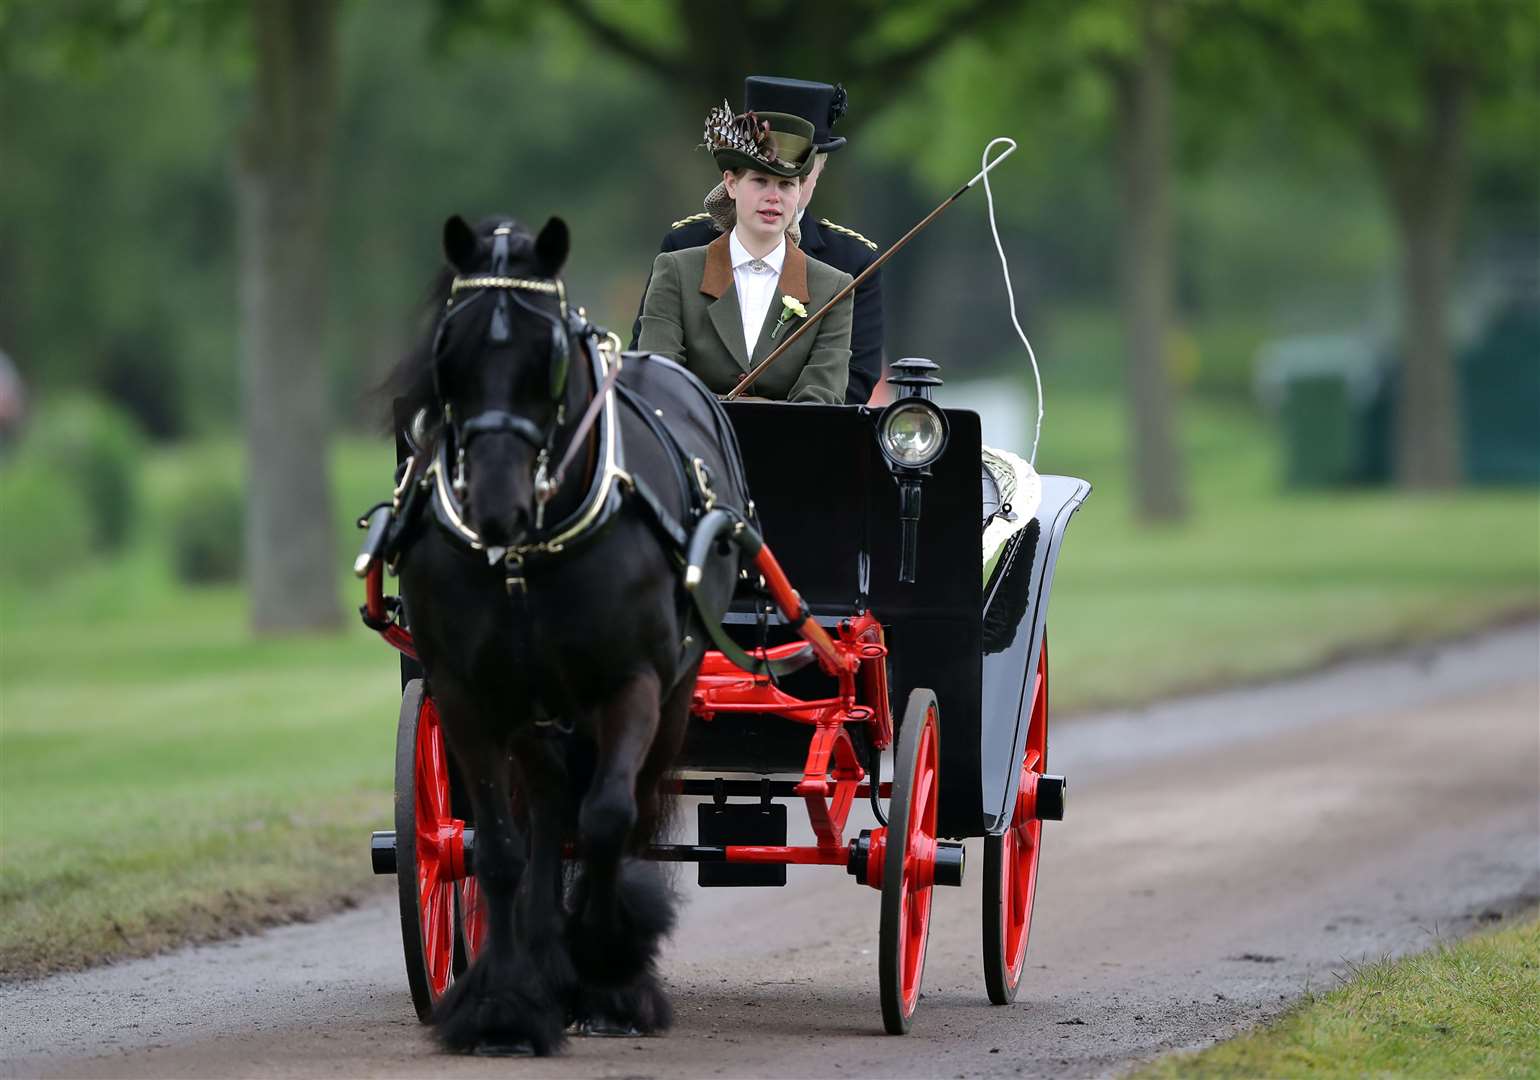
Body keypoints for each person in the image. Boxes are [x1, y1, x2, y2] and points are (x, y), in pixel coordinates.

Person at [631, 77, 883, 405]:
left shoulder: (839, 278)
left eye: (787, 183)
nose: (773, 198)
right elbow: (653, 371)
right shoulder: (680, 259)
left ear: (814, 171)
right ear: (731, 184)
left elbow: (836, 393)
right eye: (760, 180)